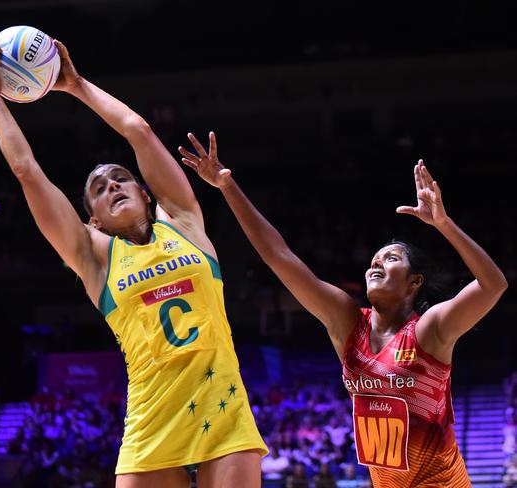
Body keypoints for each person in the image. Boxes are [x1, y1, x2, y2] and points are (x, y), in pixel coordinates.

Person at [0, 40, 267, 487]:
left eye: (121, 178)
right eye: (99, 188)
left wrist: (76, 86)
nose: (112, 185)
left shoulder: (184, 222)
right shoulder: (94, 257)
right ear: (92, 219)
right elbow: (26, 171)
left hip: (221, 407)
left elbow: (138, 131)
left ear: (147, 194)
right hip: (152, 419)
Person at [178, 132, 508, 487]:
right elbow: (280, 257)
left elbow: (493, 284)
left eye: (391, 258)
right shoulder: (348, 324)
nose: (376, 264)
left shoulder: (429, 330)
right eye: (374, 259)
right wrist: (227, 187)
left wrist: (444, 224)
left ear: (415, 283)